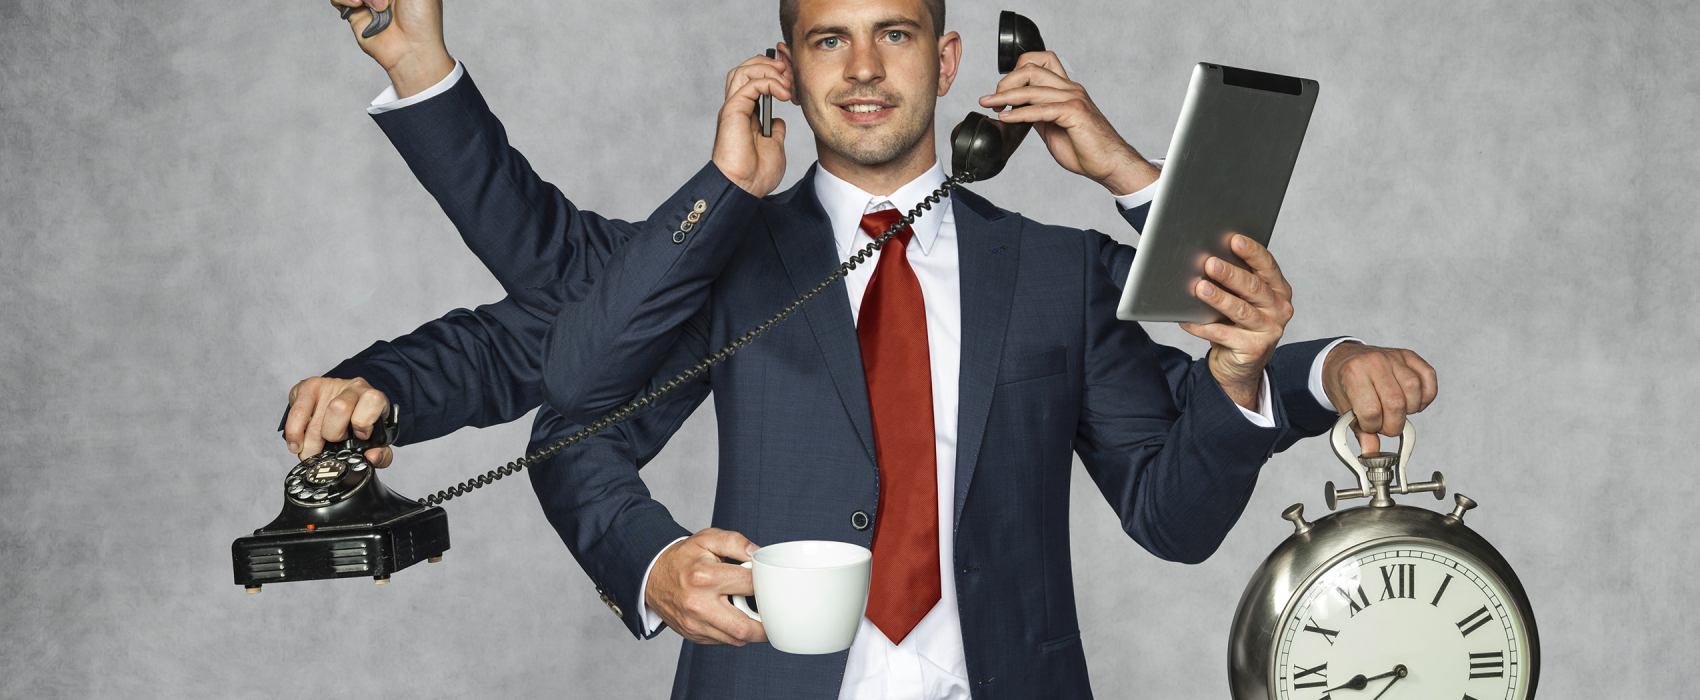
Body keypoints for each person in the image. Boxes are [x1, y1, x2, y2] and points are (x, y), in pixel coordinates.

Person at [287, 1, 1440, 698]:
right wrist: (652, 563)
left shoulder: (1055, 272)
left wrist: (1218, 318)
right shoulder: (727, 250)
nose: (862, 69)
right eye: (826, 40)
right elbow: (566, 340)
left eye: (893, 34)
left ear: (943, 64)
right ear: (784, 70)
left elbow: (1173, 516)